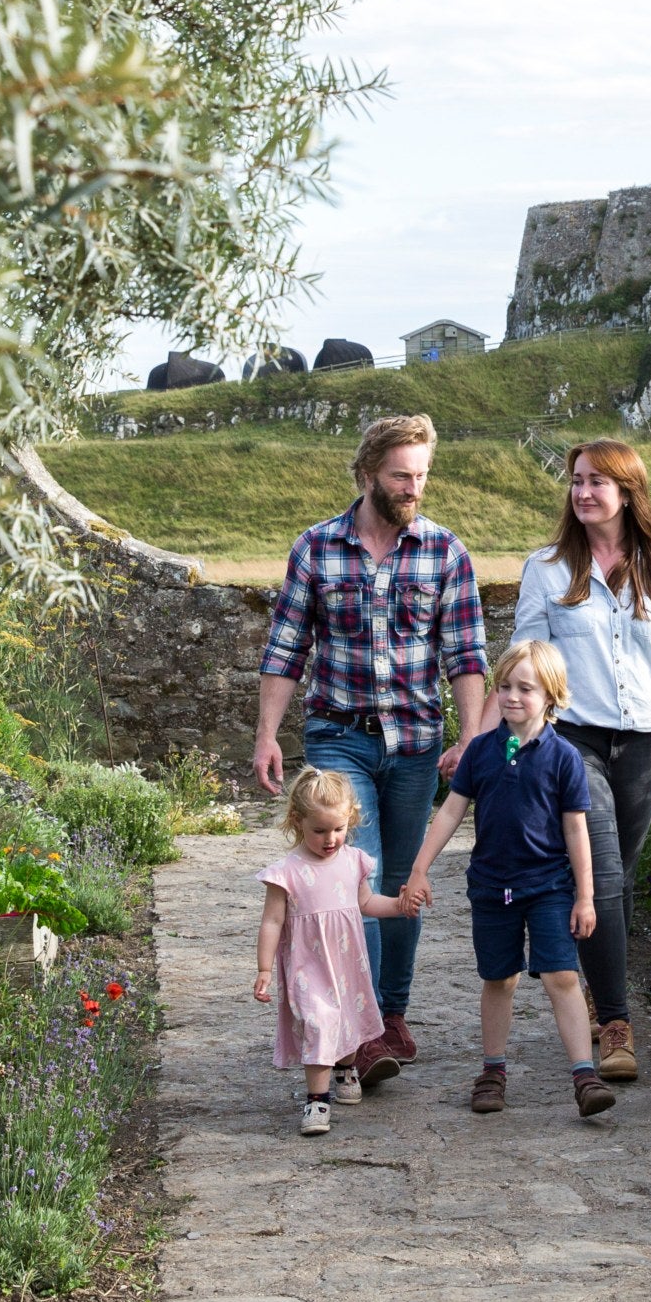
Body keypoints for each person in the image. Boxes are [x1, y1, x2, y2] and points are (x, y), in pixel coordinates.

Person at [253, 414, 488, 1087]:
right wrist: (267, 734)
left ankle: (390, 1017)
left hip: (415, 744)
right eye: (400, 476)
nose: (413, 487)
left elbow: (466, 656)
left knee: (400, 882)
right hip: (339, 735)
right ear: (365, 474)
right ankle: (356, 1029)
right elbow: (286, 648)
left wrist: (470, 736)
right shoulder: (317, 547)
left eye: (420, 476)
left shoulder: (445, 552)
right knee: (358, 874)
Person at [509, 438, 651, 1083]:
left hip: (644, 744)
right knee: (607, 873)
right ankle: (616, 1024)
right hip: (572, 742)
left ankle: (588, 986)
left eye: (597, 482)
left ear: (627, 491)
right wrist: (497, 741)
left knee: (615, 881)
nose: (583, 492)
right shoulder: (548, 567)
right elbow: (523, 658)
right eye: (576, 481)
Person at [402, 639, 617, 1119]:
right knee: (499, 979)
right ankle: (492, 1070)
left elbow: (576, 830)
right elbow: (452, 812)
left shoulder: (564, 758)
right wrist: (419, 868)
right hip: (491, 886)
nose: (512, 697)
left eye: (526, 688)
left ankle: (584, 1074)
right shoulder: (480, 751)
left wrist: (585, 896)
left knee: (562, 975)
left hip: (548, 886)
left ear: (552, 696)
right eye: (505, 687)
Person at [253, 770, 417, 1136]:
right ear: (298, 822)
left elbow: (368, 903)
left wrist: (400, 906)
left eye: (339, 829)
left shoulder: (354, 861)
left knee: (346, 1020)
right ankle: (317, 1100)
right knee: (319, 1022)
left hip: (347, 963)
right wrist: (264, 967)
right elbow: (272, 922)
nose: (331, 839)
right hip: (307, 966)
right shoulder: (286, 872)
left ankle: (346, 1068)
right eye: (320, 831)